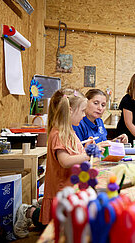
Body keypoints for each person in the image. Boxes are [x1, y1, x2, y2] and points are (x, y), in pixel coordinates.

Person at [13, 88, 91, 238]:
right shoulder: (58, 134)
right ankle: (29, 212)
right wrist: (87, 155)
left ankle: (40, 206)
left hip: (68, 187)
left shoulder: (70, 131)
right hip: (60, 189)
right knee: (52, 225)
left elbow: (72, 152)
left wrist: (86, 148)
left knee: (65, 224)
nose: (84, 115)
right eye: (82, 111)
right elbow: (65, 161)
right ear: (69, 111)